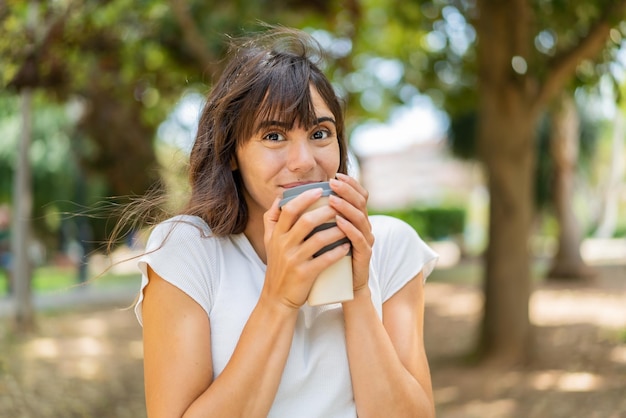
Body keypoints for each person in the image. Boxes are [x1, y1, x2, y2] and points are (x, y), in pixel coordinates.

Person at [134, 27, 438, 417]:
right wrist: (279, 299)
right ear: (231, 153)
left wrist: (359, 290)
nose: (304, 161)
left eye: (320, 133)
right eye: (274, 135)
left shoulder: (392, 245)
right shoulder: (188, 251)